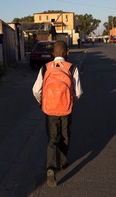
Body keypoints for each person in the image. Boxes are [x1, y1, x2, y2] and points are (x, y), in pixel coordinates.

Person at [32, 40, 83, 187]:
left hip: (50, 109)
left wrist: (42, 101)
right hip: (66, 108)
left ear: (53, 54)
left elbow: (36, 90)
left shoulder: (45, 68)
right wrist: (71, 101)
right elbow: (78, 92)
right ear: (66, 53)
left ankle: (50, 168)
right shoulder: (72, 68)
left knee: (52, 138)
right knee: (65, 135)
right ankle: (62, 161)